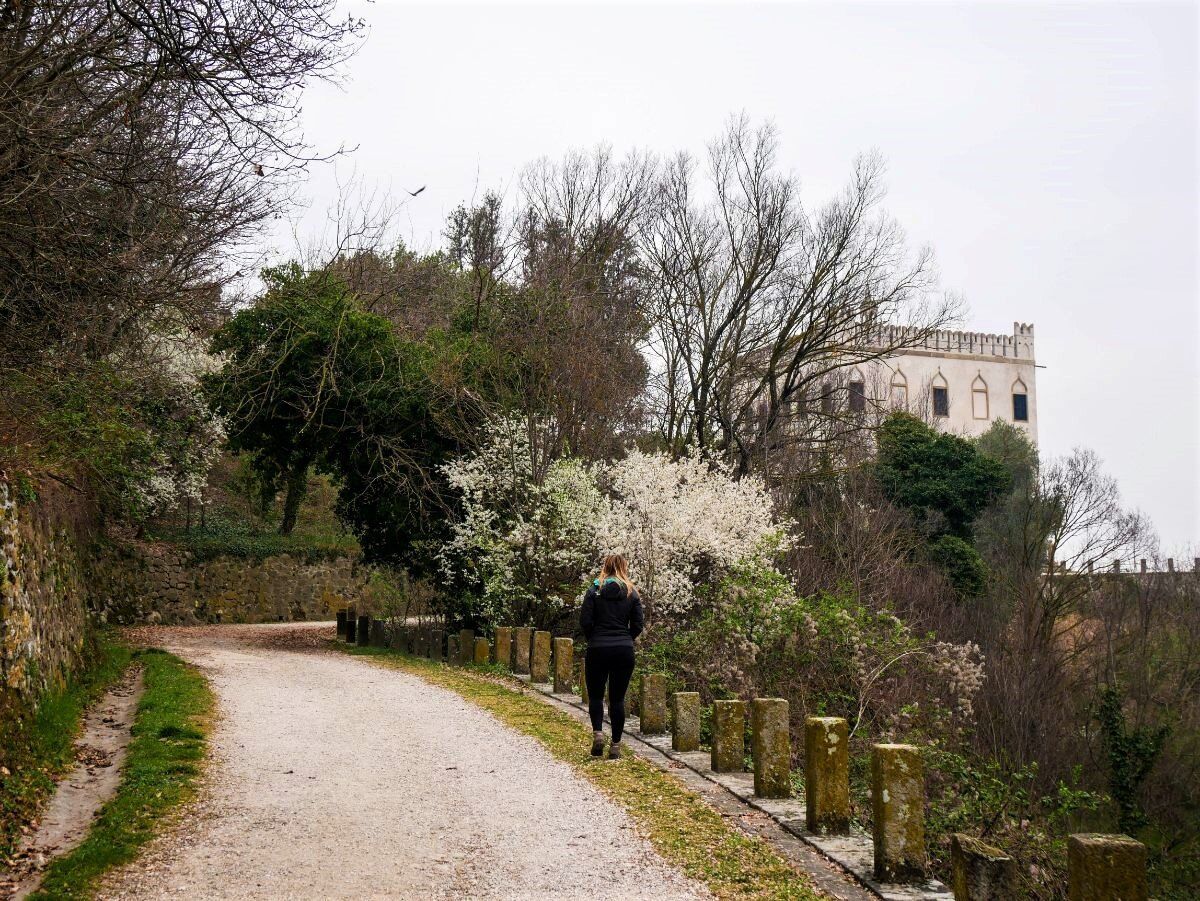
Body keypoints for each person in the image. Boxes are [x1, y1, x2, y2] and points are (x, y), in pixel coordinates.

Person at [579, 553, 644, 759]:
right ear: (624, 568)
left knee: (596, 696)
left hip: (598, 648)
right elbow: (638, 625)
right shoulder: (631, 593)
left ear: (605, 567)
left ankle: (598, 733)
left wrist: (594, 639)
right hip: (623, 650)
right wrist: (626, 638)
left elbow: (585, 621)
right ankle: (615, 746)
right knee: (617, 699)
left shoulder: (594, 591)